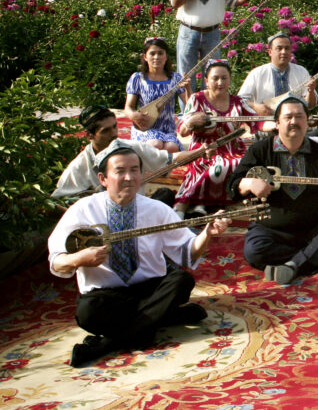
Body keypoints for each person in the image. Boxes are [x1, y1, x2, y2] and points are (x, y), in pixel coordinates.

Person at [47, 140, 231, 367]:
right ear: (102, 179)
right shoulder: (82, 210)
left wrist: (207, 233)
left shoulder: (156, 209)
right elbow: (56, 260)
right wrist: (79, 259)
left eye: (135, 170)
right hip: (107, 296)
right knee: (87, 312)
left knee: (181, 281)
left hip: (149, 289)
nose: (129, 177)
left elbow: (186, 252)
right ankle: (162, 318)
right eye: (120, 171)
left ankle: (109, 343)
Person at [229, 97, 318, 285]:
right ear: (277, 123)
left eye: (299, 117)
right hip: (271, 229)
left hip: (313, 228)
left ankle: (293, 265)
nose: (294, 122)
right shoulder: (260, 151)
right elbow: (232, 186)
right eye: (288, 117)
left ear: (307, 122)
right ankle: (317, 255)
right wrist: (248, 184)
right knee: (254, 251)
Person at [53, 105, 198, 203]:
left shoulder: (130, 147)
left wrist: (201, 151)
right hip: (101, 222)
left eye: (115, 127)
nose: (114, 134)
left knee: (165, 195)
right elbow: (57, 202)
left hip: (136, 210)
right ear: (89, 136)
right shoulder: (80, 166)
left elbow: (171, 159)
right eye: (106, 131)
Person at [175, 60, 254, 217]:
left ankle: (204, 204)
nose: (220, 82)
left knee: (242, 163)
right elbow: (182, 131)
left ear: (230, 79)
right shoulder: (197, 99)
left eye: (224, 78)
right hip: (204, 149)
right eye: (215, 78)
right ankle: (184, 206)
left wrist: (276, 124)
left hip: (232, 148)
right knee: (218, 165)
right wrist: (192, 122)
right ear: (206, 81)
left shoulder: (237, 102)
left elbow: (258, 121)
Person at [237, 32, 318, 128]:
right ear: (270, 52)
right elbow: (240, 101)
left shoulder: (301, 71)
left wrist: (311, 91)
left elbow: (310, 105)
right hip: (267, 124)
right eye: (279, 48)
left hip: (294, 124)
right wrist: (256, 107)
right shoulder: (257, 73)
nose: (284, 52)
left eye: (287, 48)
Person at [123, 36, 184, 152]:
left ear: (166, 57)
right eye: (152, 53)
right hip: (145, 129)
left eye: (160, 53)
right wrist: (133, 115)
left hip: (167, 129)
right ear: (145, 57)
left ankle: (162, 170)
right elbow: (128, 107)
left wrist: (187, 88)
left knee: (172, 148)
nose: (156, 57)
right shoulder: (138, 78)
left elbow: (190, 104)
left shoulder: (175, 78)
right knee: (155, 144)